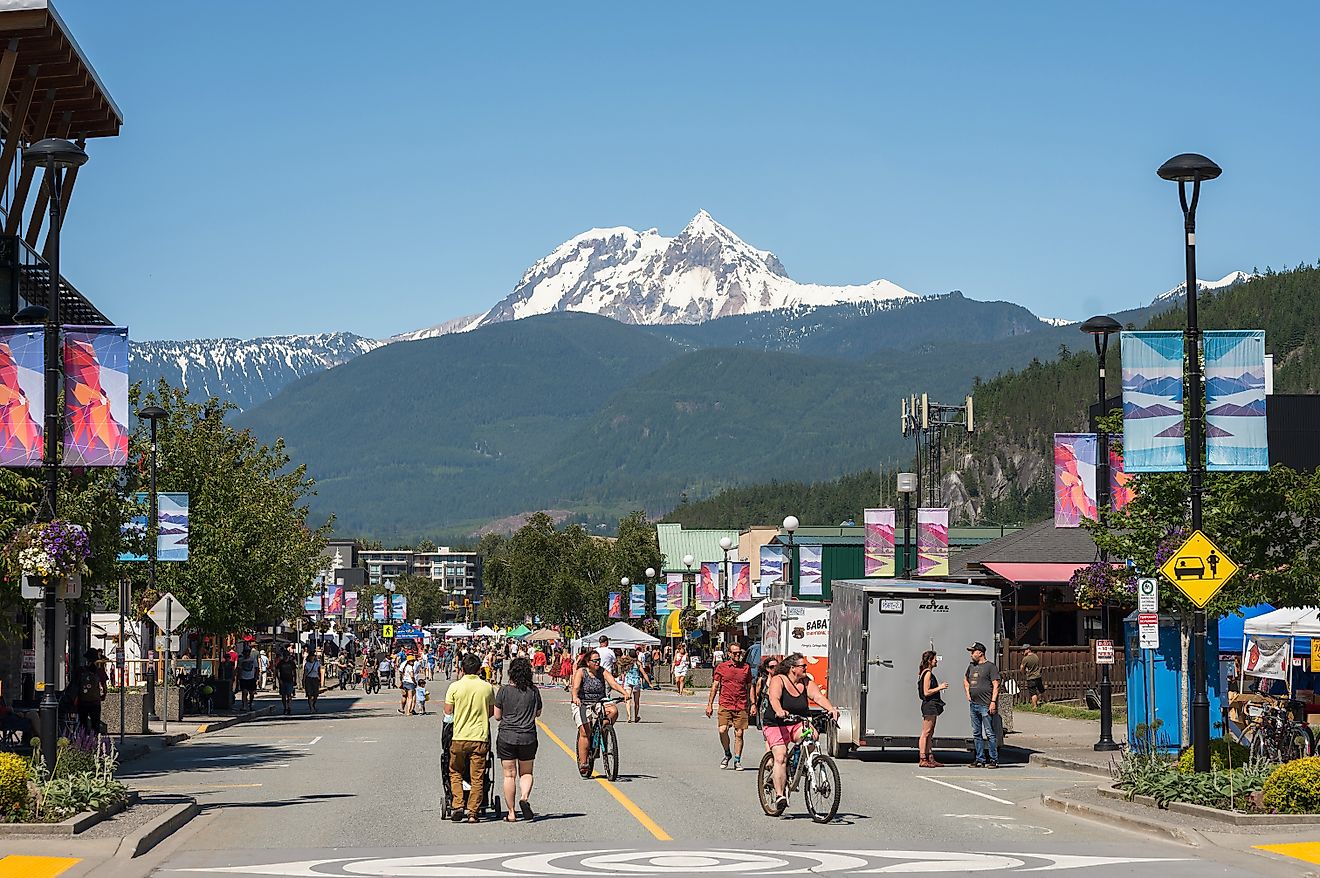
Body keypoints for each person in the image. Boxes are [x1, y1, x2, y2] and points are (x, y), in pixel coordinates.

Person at [763, 652, 839, 811]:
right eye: (803, 666)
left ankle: (801, 764)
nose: (806, 668)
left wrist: (831, 709)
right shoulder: (779, 680)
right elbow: (774, 699)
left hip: (797, 721)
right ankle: (779, 795)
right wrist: (779, 710)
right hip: (776, 723)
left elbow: (817, 697)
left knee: (812, 737)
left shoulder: (805, 682)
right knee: (781, 755)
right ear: (792, 668)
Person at [445, 652, 495, 823]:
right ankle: (473, 812)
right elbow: (491, 712)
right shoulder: (487, 687)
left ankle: (458, 804)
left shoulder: (454, 687)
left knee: (455, 771)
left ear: (462, 668)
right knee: (478, 776)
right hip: (480, 737)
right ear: (479, 668)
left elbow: (448, 711)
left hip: (459, 736)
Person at [495, 656, 542, 822]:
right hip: (528, 736)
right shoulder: (534, 691)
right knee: (526, 772)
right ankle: (524, 798)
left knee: (509, 775)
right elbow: (538, 713)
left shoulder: (504, 690)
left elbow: (497, 716)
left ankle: (511, 813)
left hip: (507, 736)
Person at [570, 649, 628, 778]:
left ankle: (602, 731)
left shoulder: (602, 671)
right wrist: (575, 697)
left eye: (599, 660)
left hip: (599, 701)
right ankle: (584, 762)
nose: (597, 663)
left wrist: (624, 693)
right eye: (595, 660)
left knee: (613, 711)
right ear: (587, 662)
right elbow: (575, 688)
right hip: (582, 702)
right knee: (585, 732)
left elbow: (613, 683)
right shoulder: (581, 672)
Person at [708, 641, 753, 769]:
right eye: (735, 653)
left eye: (739, 652)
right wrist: (710, 704)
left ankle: (737, 760)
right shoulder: (722, 667)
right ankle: (727, 754)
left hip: (741, 704)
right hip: (725, 703)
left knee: (739, 734)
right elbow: (715, 686)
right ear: (729, 654)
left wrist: (753, 704)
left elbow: (750, 687)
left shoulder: (746, 668)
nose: (738, 655)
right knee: (722, 730)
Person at [964, 642, 1001, 768]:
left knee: (989, 733)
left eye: (973, 651)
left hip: (985, 704)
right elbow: (965, 679)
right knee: (976, 733)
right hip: (974, 704)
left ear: (980, 653)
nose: (971, 654)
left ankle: (993, 759)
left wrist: (993, 702)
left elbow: (996, 684)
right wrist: (968, 692)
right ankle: (979, 759)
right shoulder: (971, 666)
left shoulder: (990, 667)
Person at [917, 649, 948, 768]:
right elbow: (926, 691)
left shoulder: (925, 672)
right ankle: (923, 758)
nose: (936, 661)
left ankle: (930, 756)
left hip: (932, 705)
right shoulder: (927, 673)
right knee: (926, 732)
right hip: (929, 705)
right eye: (935, 659)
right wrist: (940, 687)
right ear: (930, 660)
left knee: (930, 732)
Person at [75, 648, 108, 733]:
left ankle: (83, 742)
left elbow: (76, 685)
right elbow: (104, 686)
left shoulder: (81, 670)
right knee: (95, 724)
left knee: (83, 724)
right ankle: (95, 742)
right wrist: (103, 695)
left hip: (82, 701)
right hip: (95, 701)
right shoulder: (99, 671)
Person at [750, 656, 779, 742]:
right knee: (768, 736)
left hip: (777, 709)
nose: (775, 669)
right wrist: (754, 706)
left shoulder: (781, 680)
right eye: (772, 667)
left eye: (777, 666)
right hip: (765, 710)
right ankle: (770, 753)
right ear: (767, 668)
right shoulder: (762, 680)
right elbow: (758, 694)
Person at [234, 643, 259, 712]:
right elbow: (238, 669)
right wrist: (237, 677)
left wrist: (256, 677)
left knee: (251, 693)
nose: (246, 654)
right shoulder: (241, 660)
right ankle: (244, 705)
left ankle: (250, 703)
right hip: (243, 678)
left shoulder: (253, 659)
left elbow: (256, 668)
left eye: (248, 652)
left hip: (251, 678)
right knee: (244, 692)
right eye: (245, 652)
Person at [275, 644, 298, 714]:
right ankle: (285, 707)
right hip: (282, 680)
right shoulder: (280, 663)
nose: (286, 657)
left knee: (289, 695)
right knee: (283, 696)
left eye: (287, 656)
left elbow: (294, 672)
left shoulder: (291, 663)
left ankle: (289, 707)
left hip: (290, 680)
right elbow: (277, 672)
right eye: (285, 656)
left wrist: (295, 680)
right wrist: (279, 680)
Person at [1021, 644, 1044, 708]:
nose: (1023, 651)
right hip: (1038, 676)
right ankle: (1041, 701)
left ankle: (1034, 706)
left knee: (1033, 693)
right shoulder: (1036, 656)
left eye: (1024, 650)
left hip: (1031, 677)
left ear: (1028, 649)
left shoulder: (1025, 659)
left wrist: (1024, 672)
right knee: (1040, 690)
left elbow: (1022, 667)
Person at [303, 648, 325, 713]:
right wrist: (303, 681)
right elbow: (305, 673)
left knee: (315, 695)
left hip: (315, 679)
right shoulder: (307, 664)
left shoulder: (317, 663)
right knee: (309, 694)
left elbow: (319, 671)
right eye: (311, 657)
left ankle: (313, 705)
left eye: (313, 656)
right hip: (309, 679)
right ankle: (311, 708)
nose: (312, 658)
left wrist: (321, 680)